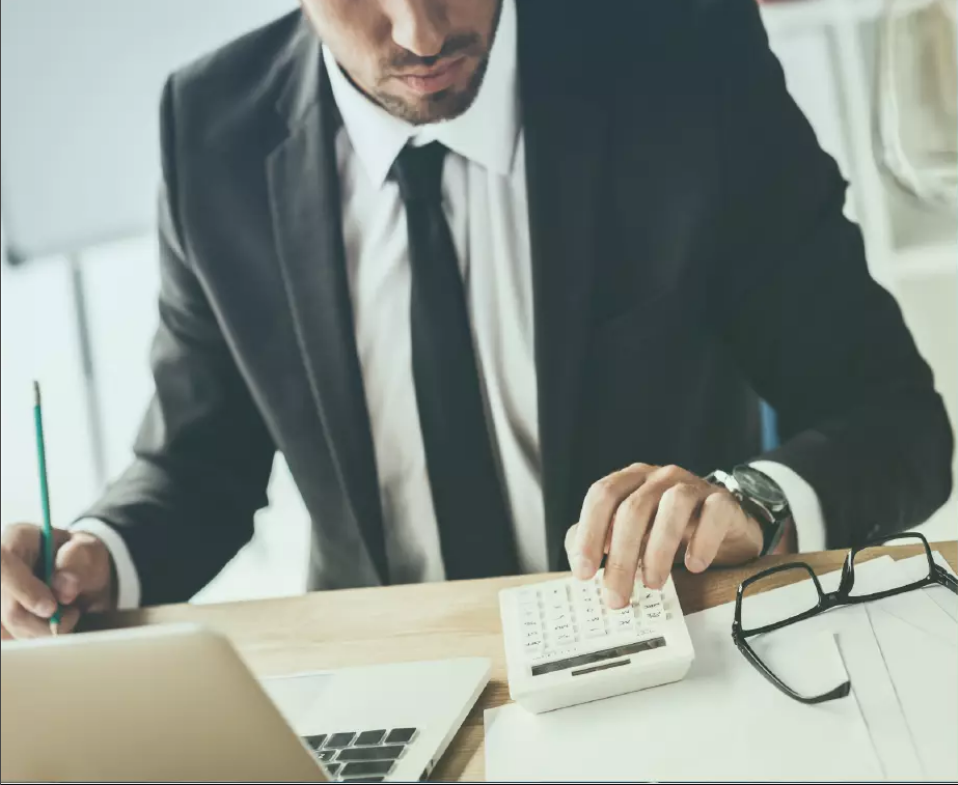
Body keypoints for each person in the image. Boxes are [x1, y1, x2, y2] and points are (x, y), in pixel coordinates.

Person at [1, 0, 952, 639]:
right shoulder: (208, 127)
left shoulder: (683, 49)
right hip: (385, 680)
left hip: (675, 652)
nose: (420, 32)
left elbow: (896, 419)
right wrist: (94, 556)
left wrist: (754, 501)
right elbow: (196, 461)